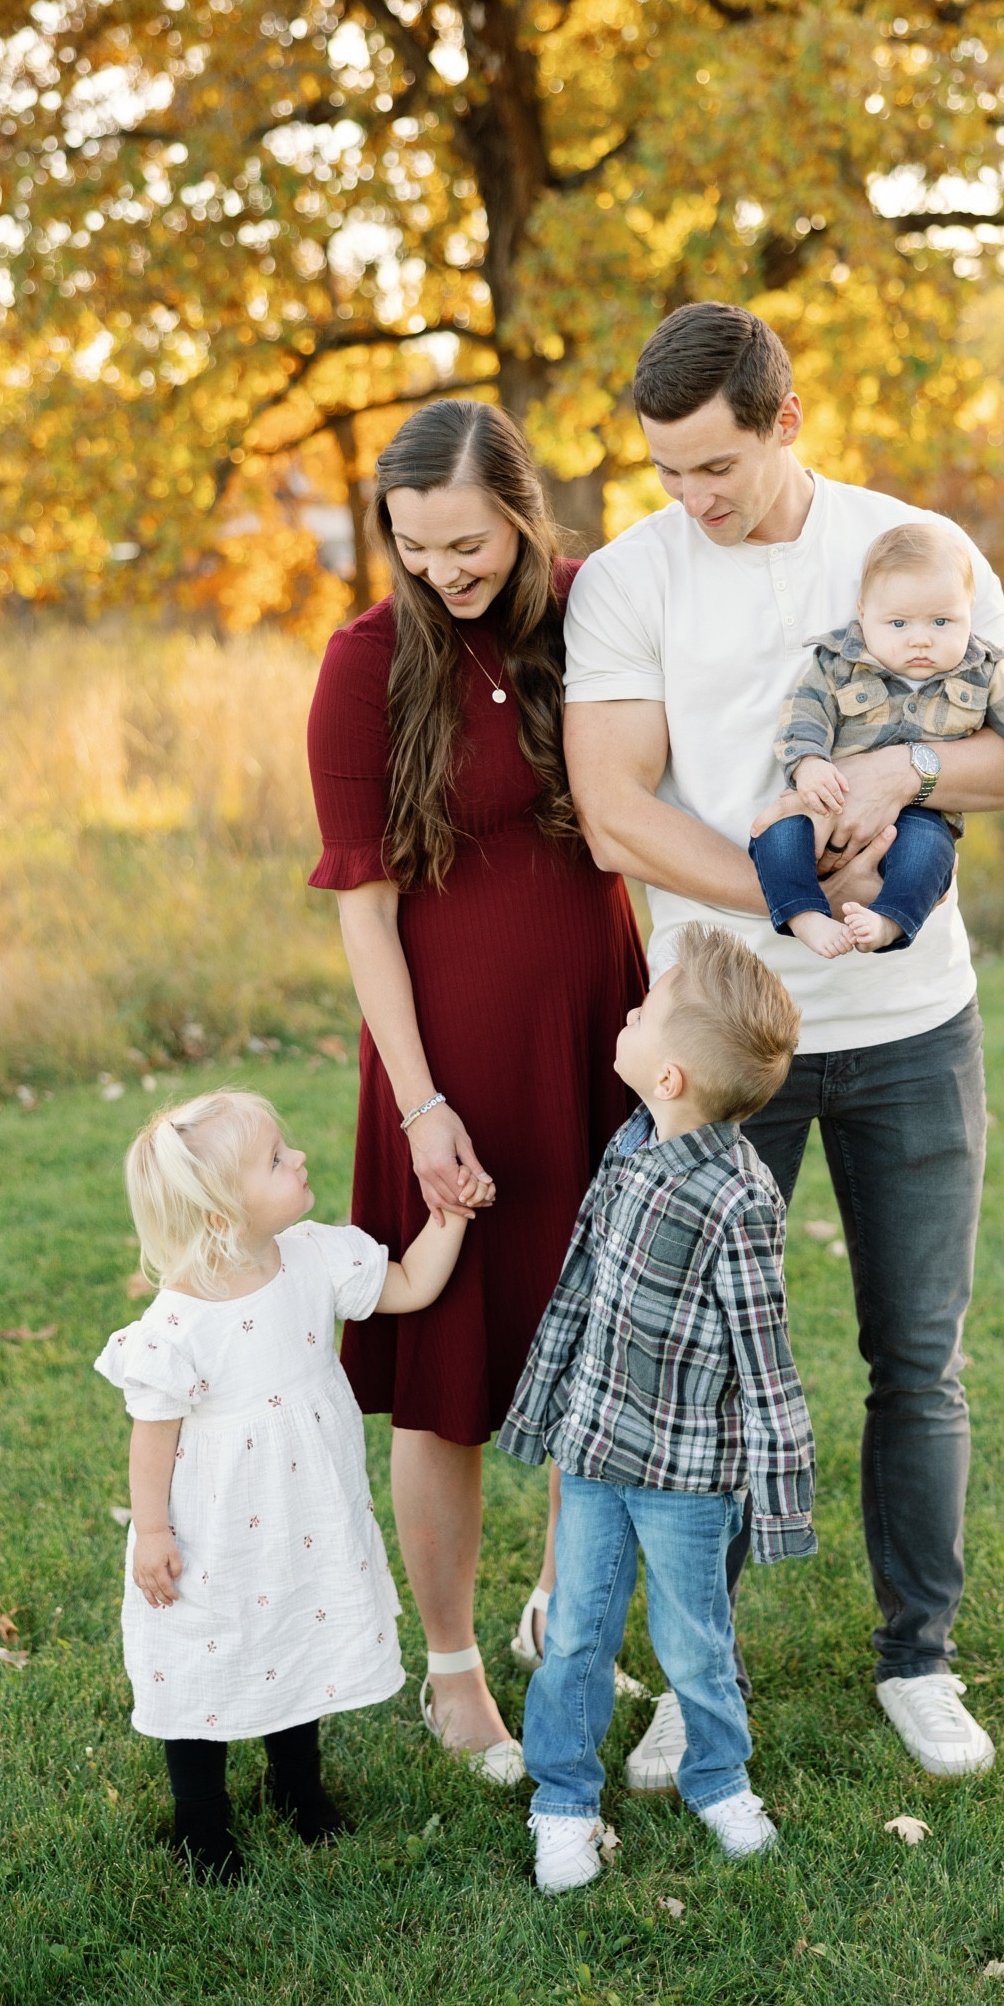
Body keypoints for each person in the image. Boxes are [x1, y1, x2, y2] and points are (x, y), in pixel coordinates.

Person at [564, 302, 1004, 1783]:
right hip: (720, 1038)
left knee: (916, 1358)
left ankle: (919, 1658)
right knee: (695, 1371)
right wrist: (792, 897)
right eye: (666, 469)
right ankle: (694, 1675)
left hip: (912, 1023)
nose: (691, 496)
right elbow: (615, 809)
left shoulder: (912, 549)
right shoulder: (629, 576)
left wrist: (901, 764)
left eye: (715, 466)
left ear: (785, 423)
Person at [306, 400, 647, 1783]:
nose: (442, 570)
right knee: (447, 1374)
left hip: (603, 1038)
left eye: (468, 544)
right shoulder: (365, 663)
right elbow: (364, 912)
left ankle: (564, 1610)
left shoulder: (593, 609)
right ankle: (450, 1671)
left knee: (596, 1348)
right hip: (447, 1063)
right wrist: (419, 1105)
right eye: (414, 544)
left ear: (521, 512)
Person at [498, 926, 813, 1895]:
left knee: (695, 1644)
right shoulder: (627, 1149)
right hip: (596, 1452)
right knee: (575, 1633)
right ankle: (563, 1800)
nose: (626, 1016)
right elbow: (578, 1287)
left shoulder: (740, 1198)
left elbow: (766, 1358)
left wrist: (779, 1502)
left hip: (687, 1478)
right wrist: (539, 1408)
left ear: (669, 1075)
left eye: (641, 1012)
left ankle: (717, 1778)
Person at [94, 1090, 465, 1882]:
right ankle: (200, 1818)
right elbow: (152, 1438)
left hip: (304, 1512)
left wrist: (453, 1215)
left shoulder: (313, 1257)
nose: (297, 1158)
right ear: (223, 1213)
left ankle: (297, 1786)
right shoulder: (177, 1324)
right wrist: (153, 1532)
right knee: (205, 1655)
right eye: (273, 1159)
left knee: (295, 1632)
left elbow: (409, 1286)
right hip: (214, 1528)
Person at [751, 521, 1004, 958]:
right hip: (830, 802)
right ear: (863, 613)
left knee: (929, 854)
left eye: (941, 621)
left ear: (969, 613)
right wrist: (808, 764)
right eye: (898, 623)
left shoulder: (984, 672)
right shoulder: (838, 663)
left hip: (921, 814)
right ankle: (804, 915)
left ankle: (889, 921)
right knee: (779, 834)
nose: (920, 639)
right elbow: (803, 714)